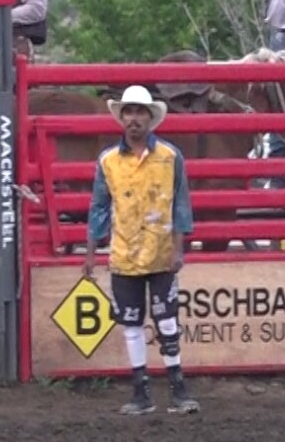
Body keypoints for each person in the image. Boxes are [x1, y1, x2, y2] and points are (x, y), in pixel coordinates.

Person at [83, 86, 198, 416]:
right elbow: (99, 207)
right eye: (129, 112)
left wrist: (178, 248)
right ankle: (143, 390)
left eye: (139, 112)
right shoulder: (108, 161)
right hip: (125, 252)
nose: (133, 119)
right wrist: (91, 253)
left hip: (160, 251)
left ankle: (175, 388)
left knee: (166, 320)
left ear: (149, 118)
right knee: (132, 323)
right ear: (122, 118)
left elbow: (180, 204)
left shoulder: (170, 157)